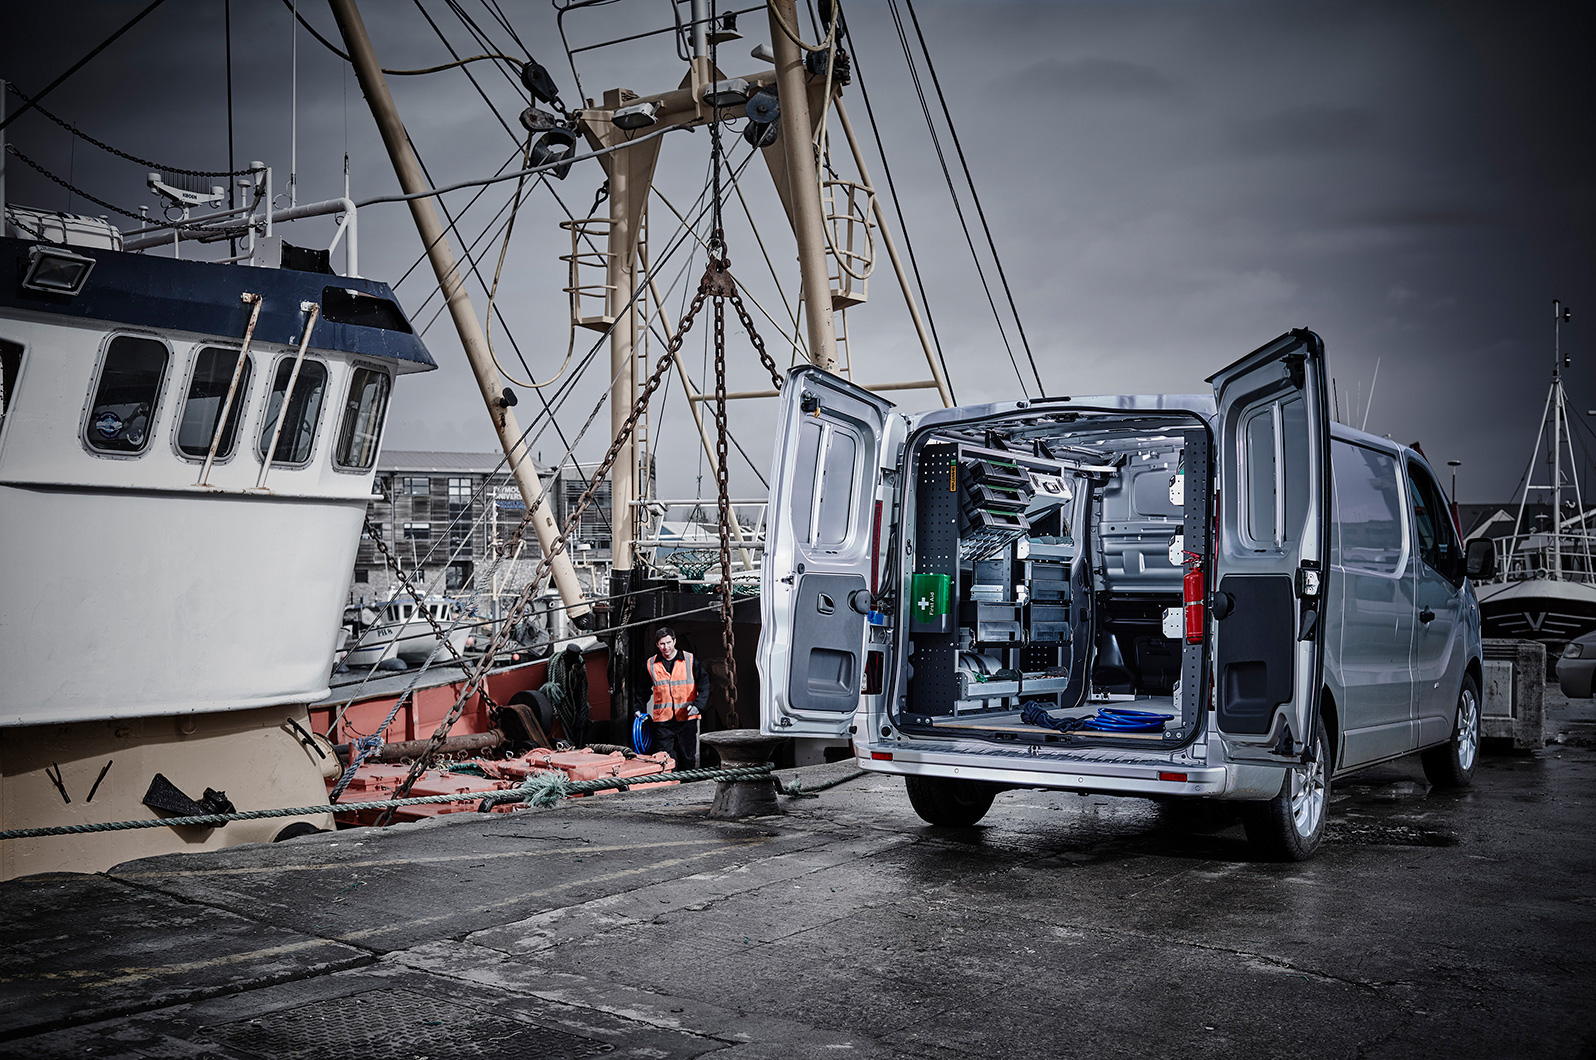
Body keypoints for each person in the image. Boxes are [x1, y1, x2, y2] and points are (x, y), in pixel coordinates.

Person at [637, 626, 708, 769]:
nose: (666, 647)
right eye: (662, 644)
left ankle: (688, 787)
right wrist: (638, 710)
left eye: (668, 642)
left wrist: (698, 706)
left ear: (674, 641)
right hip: (663, 722)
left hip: (686, 718)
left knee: (688, 757)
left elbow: (704, 684)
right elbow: (642, 691)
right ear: (657, 645)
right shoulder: (650, 665)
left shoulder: (690, 660)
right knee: (666, 758)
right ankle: (671, 787)